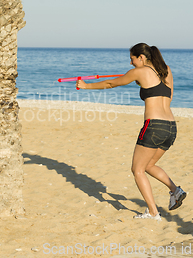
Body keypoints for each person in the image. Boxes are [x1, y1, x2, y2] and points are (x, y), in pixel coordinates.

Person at [76, 43, 186, 220]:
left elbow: (111, 82)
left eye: (132, 59)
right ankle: (175, 190)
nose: (131, 63)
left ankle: (152, 212)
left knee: (137, 170)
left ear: (141, 57)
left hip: (154, 126)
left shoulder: (139, 72)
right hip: (171, 127)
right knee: (148, 165)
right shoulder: (166, 69)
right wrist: (143, 83)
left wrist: (86, 86)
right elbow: (169, 96)